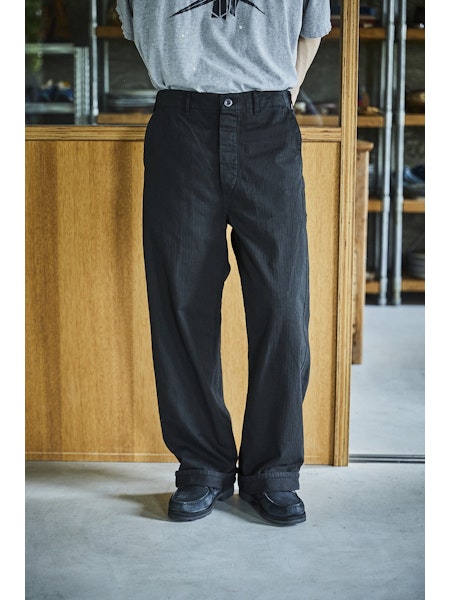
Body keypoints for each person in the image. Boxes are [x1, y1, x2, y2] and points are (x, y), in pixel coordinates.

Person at [116, 0, 331, 526]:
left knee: (283, 306)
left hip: (268, 123)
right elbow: (137, 27)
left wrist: (275, 92)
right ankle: (203, 467)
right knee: (182, 304)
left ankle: (273, 472)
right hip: (181, 122)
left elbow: (312, 29)